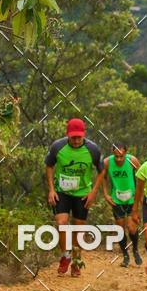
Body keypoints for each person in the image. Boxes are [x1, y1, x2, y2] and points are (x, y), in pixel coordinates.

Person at [45, 118, 103, 277]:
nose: (77, 140)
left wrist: (93, 192)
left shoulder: (93, 149)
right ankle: (66, 256)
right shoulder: (58, 147)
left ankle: (76, 261)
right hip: (61, 192)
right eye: (73, 137)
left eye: (79, 137)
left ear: (84, 135)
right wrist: (51, 190)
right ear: (68, 135)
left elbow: (101, 170)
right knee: (61, 223)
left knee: (78, 228)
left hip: (82, 194)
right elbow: (49, 166)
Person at [93, 141, 142, 267]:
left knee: (132, 228)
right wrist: (106, 194)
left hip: (131, 199)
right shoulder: (107, 162)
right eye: (116, 156)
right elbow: (101, 177)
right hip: (117, 199)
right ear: (113, 154)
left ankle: (135, 250)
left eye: (121, 156)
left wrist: (140, 196)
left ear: (126, 153)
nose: (119, 159)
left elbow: (142, 178)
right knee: (120, 229)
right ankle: (125, 255)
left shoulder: (132, 160)